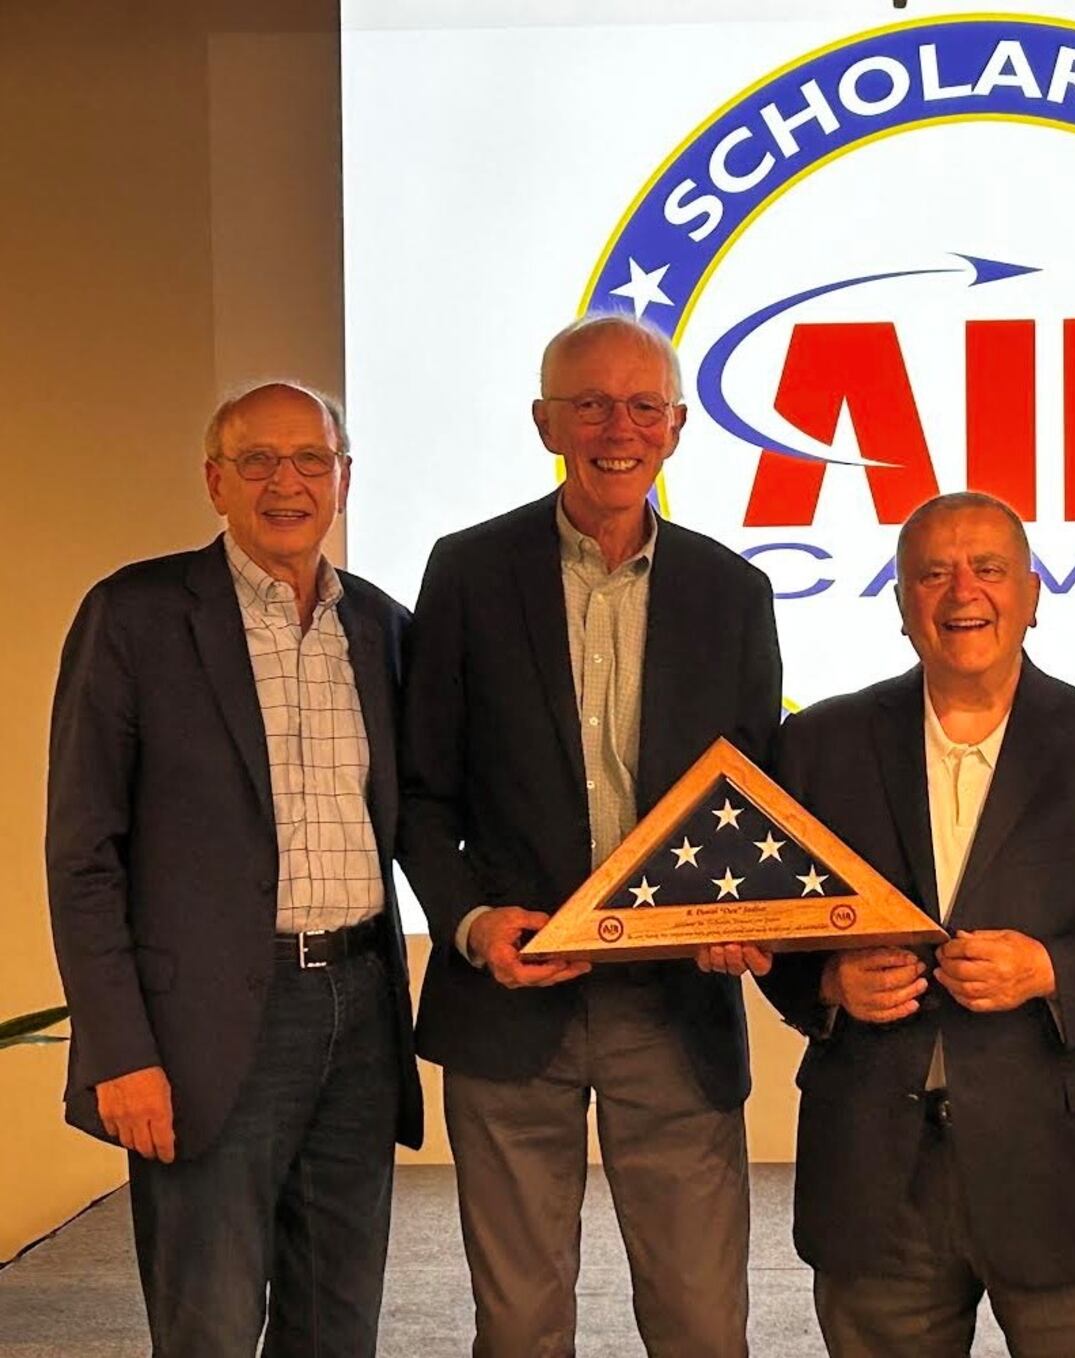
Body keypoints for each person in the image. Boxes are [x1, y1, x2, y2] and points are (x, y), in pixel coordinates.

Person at [399, 313, 782, 1357]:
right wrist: (470, 921)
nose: (619, 429)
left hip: (676, 1003)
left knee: (703, 1324)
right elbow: (421, 792)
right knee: (519, 1326)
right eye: (591, 405)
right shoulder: (467, 574)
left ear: (677, 426)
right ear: (545, 423)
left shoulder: (733, 593)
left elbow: (755, 799)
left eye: (643, 406)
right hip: (510, 997)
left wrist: (746, 915)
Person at [758, 491, 1075, 1357]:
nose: (963, 592)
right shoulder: (818, 744)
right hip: (872, 1177)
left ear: (1033, 594)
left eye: (989, 569)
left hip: (1062, 1176)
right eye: (933, 574)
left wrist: (1052, 970)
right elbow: (770, 924)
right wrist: (827, 982)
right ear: (901, 605)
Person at [45, 382, 424, 1356]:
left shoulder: (381, 627)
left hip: (360, 1016)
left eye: (310, 460)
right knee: (207, 1327)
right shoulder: (134, 617)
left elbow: (423, 814)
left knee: (338, 1323)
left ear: (343, 478)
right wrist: (119, 1050)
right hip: (201, 1036)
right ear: (216, 481)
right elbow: (83, 855)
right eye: (257, 461)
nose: (285, 483)